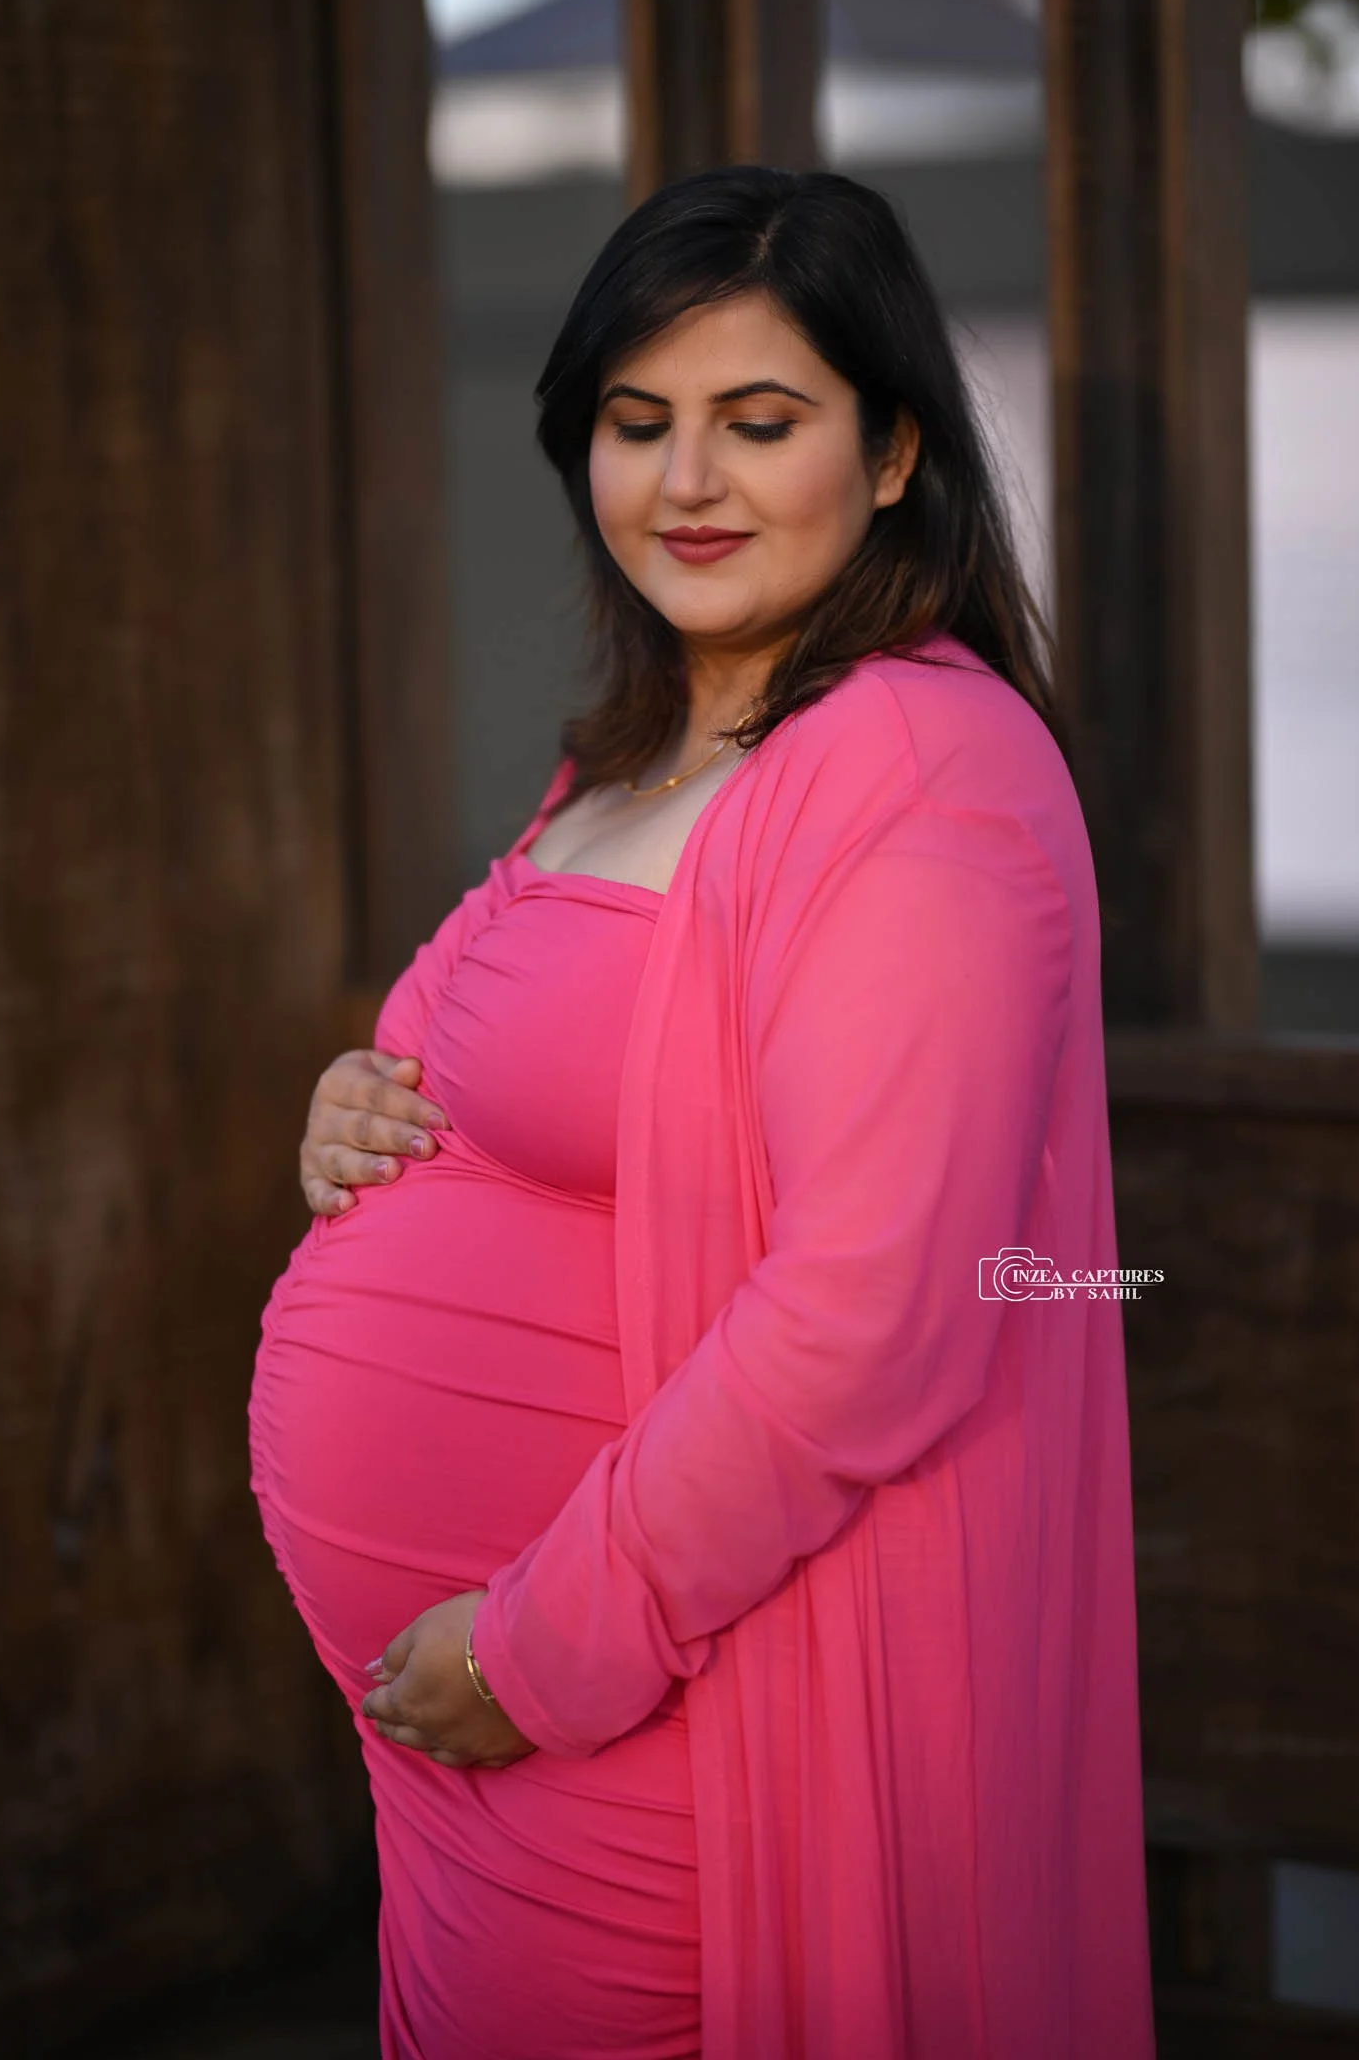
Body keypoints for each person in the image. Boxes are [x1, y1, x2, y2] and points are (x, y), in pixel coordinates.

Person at [250, 164, 1155, 2059]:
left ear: (891, 450)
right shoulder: (640, 744)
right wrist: (364, 1110)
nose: (685, 482)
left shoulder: (919, 769)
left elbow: (873, 1314)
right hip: (476, 1755)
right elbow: (516, 1077)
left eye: (757, 422)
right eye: (634, 420)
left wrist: (539, 1651)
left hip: (667, 1719)